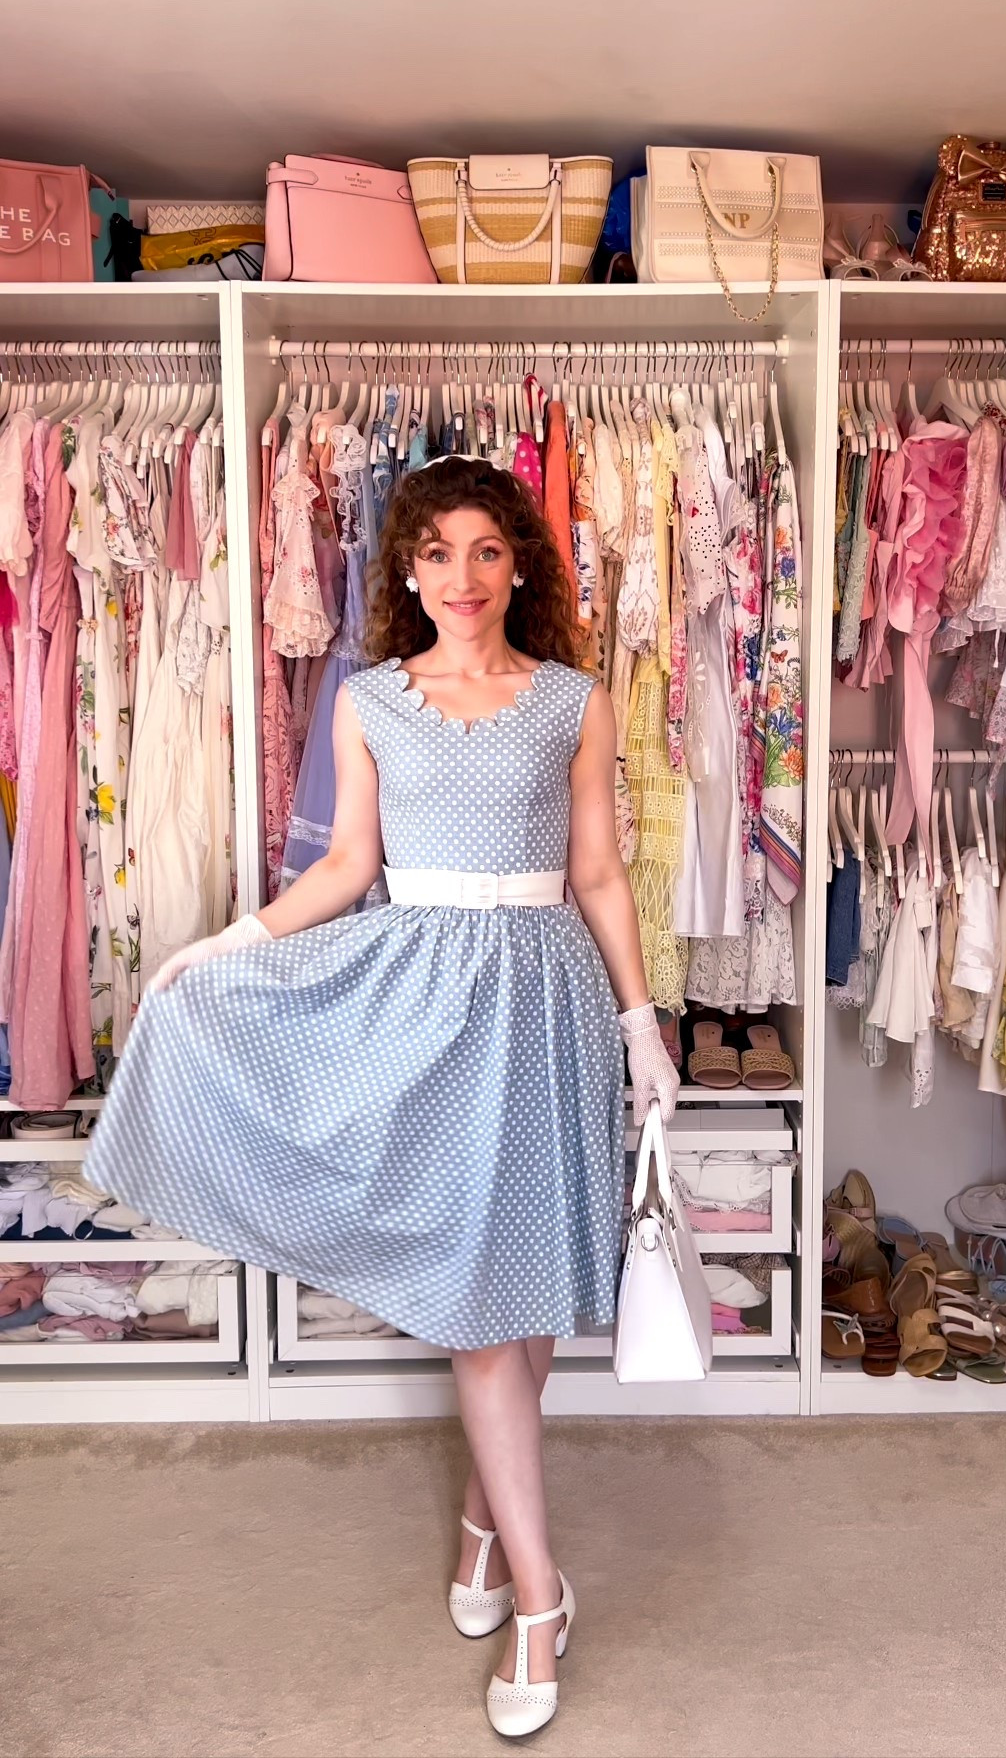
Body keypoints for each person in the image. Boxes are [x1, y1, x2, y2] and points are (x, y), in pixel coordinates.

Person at [85, 455, 678, 1738]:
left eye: (483, 549)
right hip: (427, 1001)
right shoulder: (369, 701)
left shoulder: (573, 698)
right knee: (478, 1314)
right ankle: (539, 1597)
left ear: (519, 561)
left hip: (552, 1006)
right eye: (435, 553)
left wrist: (642, 1025)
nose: (460, 577)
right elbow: (352, 864)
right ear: (404, 571)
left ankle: (480, 1521)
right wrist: (233, 943)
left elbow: (600, 873)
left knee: (523, 1316)